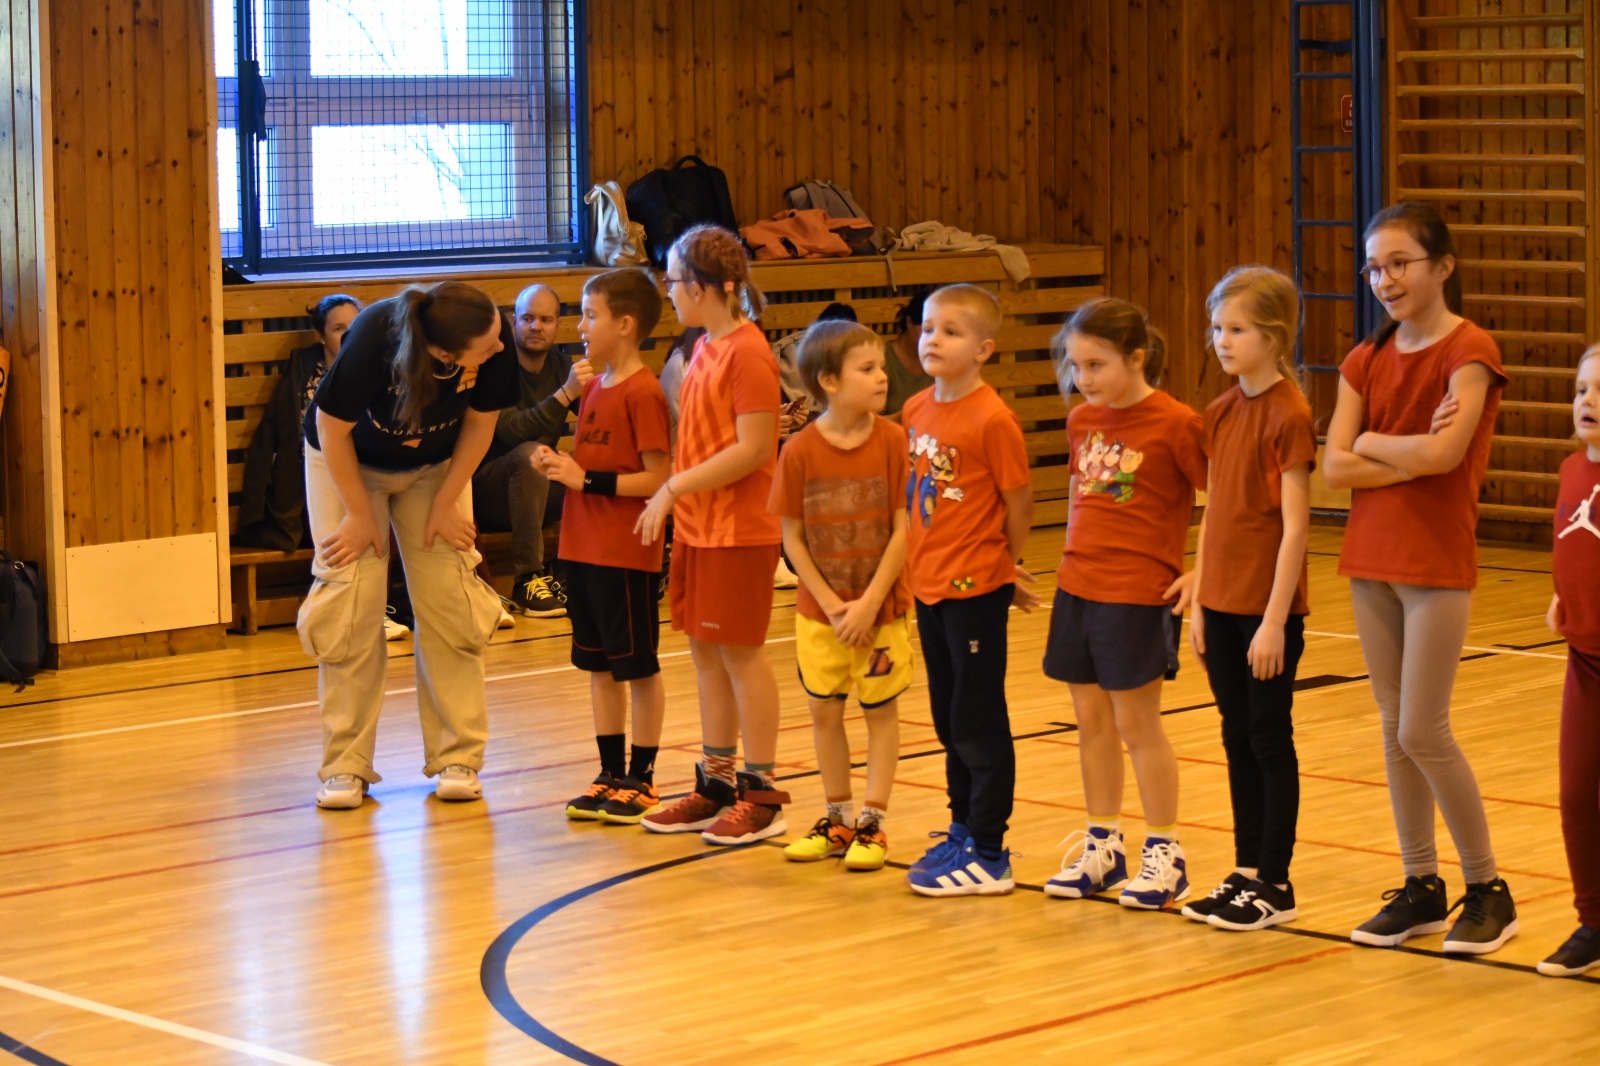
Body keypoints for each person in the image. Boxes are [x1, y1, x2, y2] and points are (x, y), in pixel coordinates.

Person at [1324, 201, 1517, 954]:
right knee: (1392, 728)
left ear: (1443, 266)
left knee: (1421, 728)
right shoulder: (1364, 358)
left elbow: (1445, 456)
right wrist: (1394, 450)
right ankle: (1421, 885)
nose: (1385, 279)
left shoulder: (1470, 350)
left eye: (1400, 263)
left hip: (1435, 558)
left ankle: (1488, 888)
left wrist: (1371, 440)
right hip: (1371, 557)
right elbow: (1334, 466)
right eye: (1374, 267)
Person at [300, 280, 514, 810]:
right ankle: (345, 766)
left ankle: (458, 757)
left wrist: (447, 500)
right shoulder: (375, 335)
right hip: (347, 461)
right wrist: (357, 514)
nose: (500, 346)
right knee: (350, 603)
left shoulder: (491, 334)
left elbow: (480, 426)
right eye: (487, 346)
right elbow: (331, 429)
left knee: (451, 599)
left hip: (434, 468)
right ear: (444, 354)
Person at [1040, 297, 1205, 911]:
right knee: (1091, 720)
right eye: (1075, 364)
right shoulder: (1082, 419)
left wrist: (1204, 571)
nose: (1083, 378)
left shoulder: (1177, 422)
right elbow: (1084, 499)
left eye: (1096, 364)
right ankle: (1103, 844)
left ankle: (1165, 850)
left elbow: (1223, 494)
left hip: (1138, 592)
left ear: (1136, 358)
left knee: (1138, 724)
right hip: (1078, 586)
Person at [636, 224, 791, 845]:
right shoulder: (703, 346)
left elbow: (754, 449)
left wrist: (673, 487)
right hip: (701, 528)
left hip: (739, 529)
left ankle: (763, 792)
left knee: (741, 655)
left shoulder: (749, 352)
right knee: (705, 653)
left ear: (700, 287)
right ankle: (717, 782)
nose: (668, 291)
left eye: (672, 280)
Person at [1183, 268, 1315, 931]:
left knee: (1268, 738)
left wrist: (1273, 622)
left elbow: (1295, 528)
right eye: (1217, 328)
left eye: (1236, 329)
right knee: (1236, 736)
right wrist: (1200, 601)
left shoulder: (1289, 414)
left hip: (1267, 615)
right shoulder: (1220, 411)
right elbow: (1213, 513)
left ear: (1274, 336)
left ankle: (1276, 881)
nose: (1222, 341)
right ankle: (1245, 870)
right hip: (1222, 605)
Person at [901, 283, 1036, 898]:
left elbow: (1018, 503)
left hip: (974, 587)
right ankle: (960, 828)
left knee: (977, 719)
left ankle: (988, 849)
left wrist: (1002, 565)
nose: (933, 339)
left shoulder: (993, 418)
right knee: (947, 717)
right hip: (928, 586)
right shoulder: (915, 409)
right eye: (928, 328)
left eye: (950, 332)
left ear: (983, 348)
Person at [771, 320, 911, 872]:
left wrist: (870, 602)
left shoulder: (894, 440)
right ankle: (837, 819)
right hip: (820, 615)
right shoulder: (799, 450)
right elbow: (792, 538)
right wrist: (832, 606)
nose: (881, 378)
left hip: (881, 612)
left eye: (881, 368)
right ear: (828, 381)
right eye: (867, 369)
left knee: (880, 712)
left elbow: (903, 529)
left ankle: (872, 822)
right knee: (824, 712)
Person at [534, 269, 671, 826]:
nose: (581, 327)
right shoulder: (593, 387)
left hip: (624, 552)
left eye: (591, 316)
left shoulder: (644, 391)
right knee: (598, 666)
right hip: (582, 547)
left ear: (626, 324)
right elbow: (587, 464)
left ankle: (643, 777)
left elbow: (658, 478)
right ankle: (610, 772)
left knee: (637, 667)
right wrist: (557, 464)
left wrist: (583, 478)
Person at [473, 283, 594, 618]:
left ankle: (575, 569)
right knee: (532, 453)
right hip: (488, 493)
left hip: (539, 489)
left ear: (557, 325)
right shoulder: (495, 366)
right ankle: (527, 579)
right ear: (514, 322)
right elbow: (510, 430)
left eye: (545, 320)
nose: (536, 327)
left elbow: (595, 417)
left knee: (595, 466)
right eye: (527, 318)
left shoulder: (559, 365)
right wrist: (565, 394)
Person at [1538, 345, 1600, 977]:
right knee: (1577, 795)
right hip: (1585, 661)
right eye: (1583, 389)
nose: (1588, 401)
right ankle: (1594, 922)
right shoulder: (1570, 470)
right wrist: (1564, 594)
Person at [235, 294, 360, 552]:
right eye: (339, 329)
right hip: (310, 480)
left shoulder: (374, 371)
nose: (349, 335)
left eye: (354, 327)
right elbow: (273, 437)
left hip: (364, 478)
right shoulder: (302, 376)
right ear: (321, 336)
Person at [884, 292, 933, 420]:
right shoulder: (882, 360)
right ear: (909, 322)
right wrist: (906, 414)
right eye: (928, 330)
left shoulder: (942, 360)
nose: (934, 338)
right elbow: (867, 424)